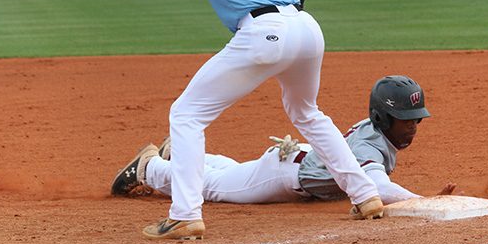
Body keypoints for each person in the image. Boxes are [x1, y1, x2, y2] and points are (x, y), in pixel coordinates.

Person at [81, 0, 382, 240]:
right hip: (306, 28)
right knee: (307, 112)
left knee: (186, 114)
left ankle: (185, 213)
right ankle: (365, 193)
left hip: (265, 31)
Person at [111, 76, 455, 207]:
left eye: (415, 121)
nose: (412, 128)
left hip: (293, 161)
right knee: (214, 187)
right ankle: (149, 168)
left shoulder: (374, 131)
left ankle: (177, 154)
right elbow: (376, 186)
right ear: (384, 118)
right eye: (406, 121)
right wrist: (424, 201)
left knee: (237, 173)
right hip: (285, 174)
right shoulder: (369, 144)